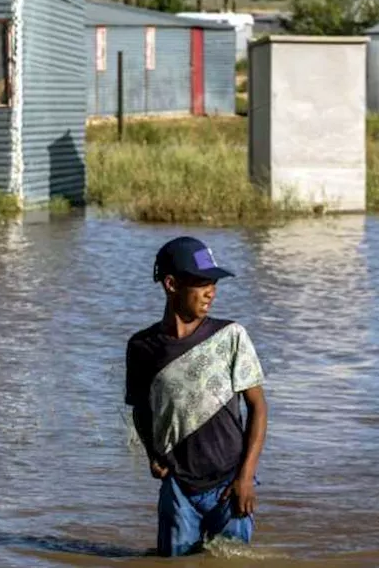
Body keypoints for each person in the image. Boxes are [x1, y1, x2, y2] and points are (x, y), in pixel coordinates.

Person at [124, 236, 268, 557]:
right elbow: (140, 410)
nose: (211, 292)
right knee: (173, 562)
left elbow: (258, 407)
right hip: (179, 489)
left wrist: (245, 477)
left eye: (214, 283)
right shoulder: (142, 348)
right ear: (171, 284)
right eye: (201, 283)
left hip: (229, 486)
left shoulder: (231, 337)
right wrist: (153, 453)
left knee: (232, 562)